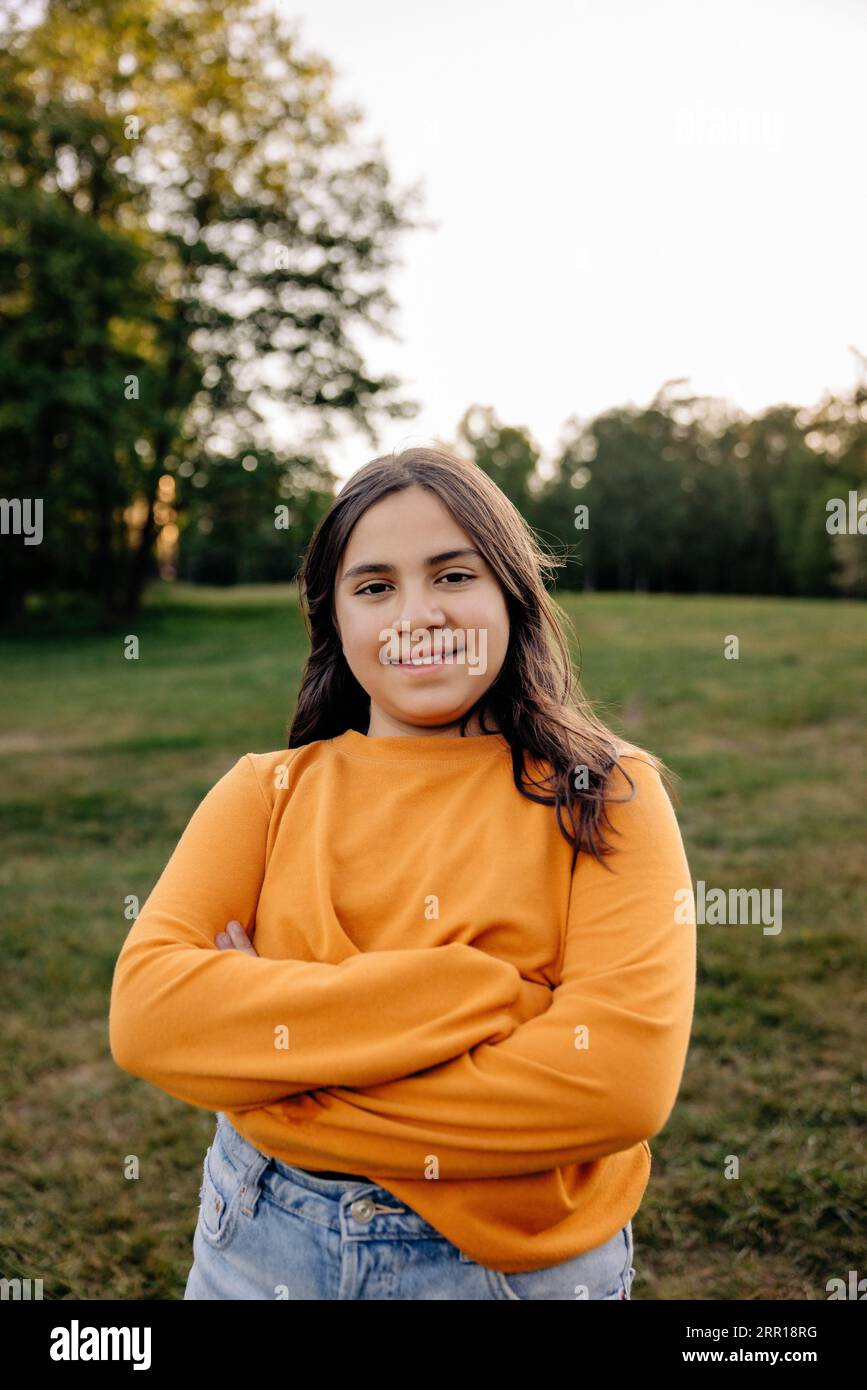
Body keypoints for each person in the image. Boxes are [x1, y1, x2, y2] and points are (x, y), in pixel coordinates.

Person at [109, 445, 696, 1300]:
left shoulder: (605, 795)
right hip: (260, 1241)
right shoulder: (264, 793)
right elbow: (149, 1019)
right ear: (336, 617)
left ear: (509, 592)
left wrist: (279, 1076)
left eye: (452, 575)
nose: (415, 614)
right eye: (375, 586)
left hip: (511, 1271)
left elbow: (614, 1090)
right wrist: (482, 993)